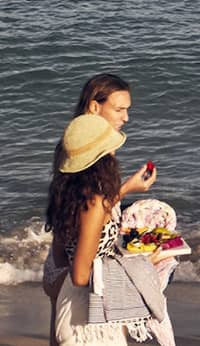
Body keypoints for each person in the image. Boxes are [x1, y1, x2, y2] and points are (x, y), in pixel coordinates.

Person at [46, 113, 167, 345]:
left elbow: (62, 258)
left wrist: (126, 189)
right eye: (110, 149)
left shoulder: (68, 196)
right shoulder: (95, 202)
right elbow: (81, 275)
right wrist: (141, 263)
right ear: (101, 159)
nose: (115, 154)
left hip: (70, 305)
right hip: (88, 321)